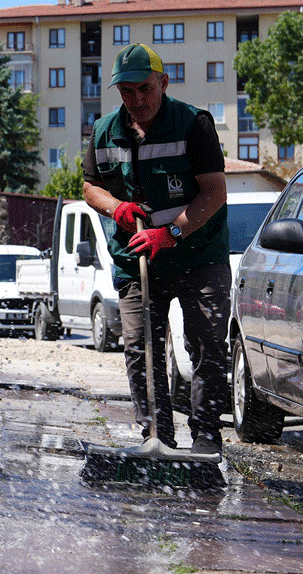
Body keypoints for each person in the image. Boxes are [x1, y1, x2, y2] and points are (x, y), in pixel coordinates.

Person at [81, 43, 230, 456]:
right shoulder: (103, 130)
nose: (137, 100)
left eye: (145, 88)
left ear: (164, 82)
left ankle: (205, 436)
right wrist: (116, 207)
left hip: (198, 253)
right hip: (138, 259)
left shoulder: (193, 125)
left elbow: (214, 192)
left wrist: (172, 234)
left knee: (207, 343)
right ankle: (156, 436)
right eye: (127, 92)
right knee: (139, 346)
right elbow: (90, 187)